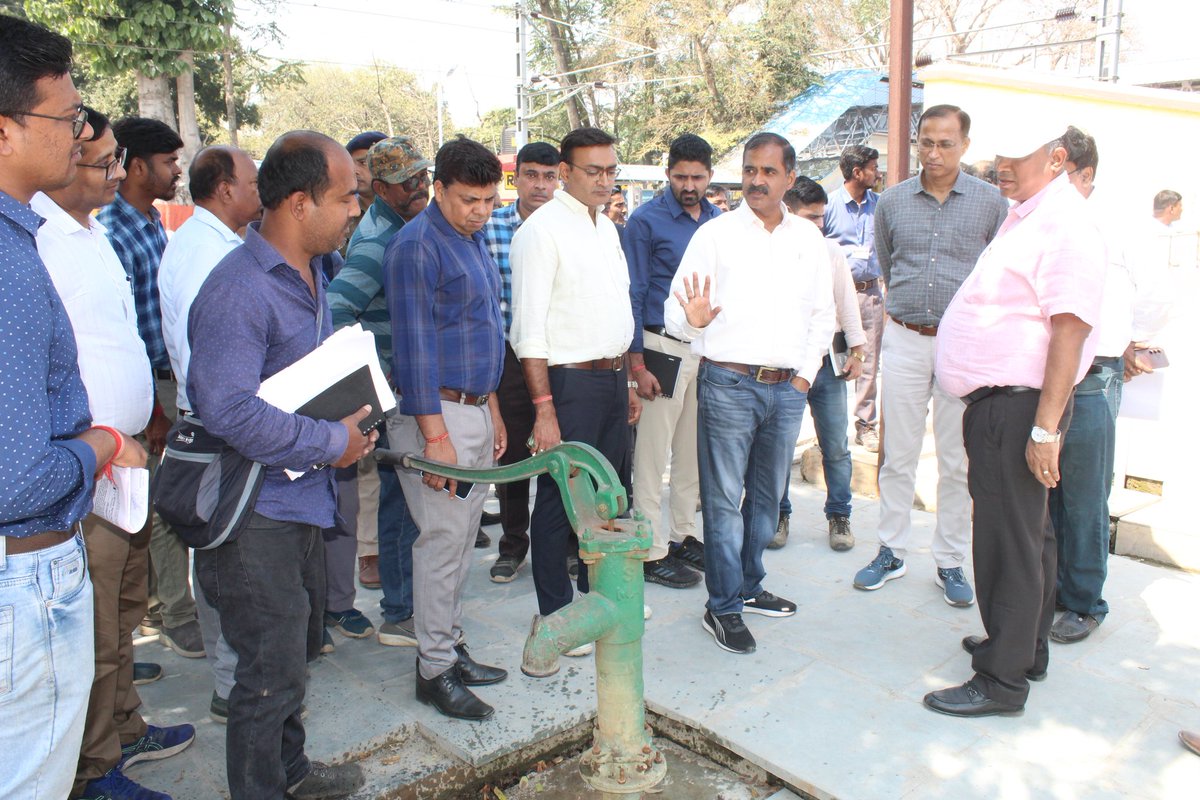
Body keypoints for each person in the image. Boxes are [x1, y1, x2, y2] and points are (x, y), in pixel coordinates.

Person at [188, 130, 374, 799]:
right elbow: (227, 409)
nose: (357, 208)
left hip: (299, 503)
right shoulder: (240, 290)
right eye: (347, 195)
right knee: (267, 677)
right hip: (254, 517)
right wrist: (330, 443)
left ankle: (290, 774)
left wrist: (352, 425)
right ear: (299, 202)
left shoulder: (311, 273)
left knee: (292, 659)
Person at [0, 16, 147, 799]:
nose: (81, 138)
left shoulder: (39, 238)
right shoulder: (14, 255)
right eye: (65, 121)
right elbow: (16, 476)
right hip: (27, 563)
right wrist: (99, 443)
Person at [34, 105, 195, 800]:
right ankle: (95, 766)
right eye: (100, 162)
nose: (112, 174)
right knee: (94, 625)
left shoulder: (94, 230)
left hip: (123, 456)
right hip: (86, 468)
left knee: (126, 612)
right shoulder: (38, 239)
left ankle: (125, 725)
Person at [924, 123, 1105, 717]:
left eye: (1014, 155)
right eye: (998, 154)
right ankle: (1023, 648)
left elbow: (1071, 328)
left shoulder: (1063, 222)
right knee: (1031, 535)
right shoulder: (1029, 212)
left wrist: (1046, 428)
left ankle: (1001, 682)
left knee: (1008, 541)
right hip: (1006, 403)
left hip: (1021, 404)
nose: (1000, 165)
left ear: (1056, 159)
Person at [666, 132, 836, 654]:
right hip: (728, 384)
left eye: (768, 172)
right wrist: (691, 321)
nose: (756, 180)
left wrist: (804, 378)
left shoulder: (808, 240)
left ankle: (749, 584)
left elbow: (821, 314)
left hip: (786, 390)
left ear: (788, 177)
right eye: (749, 170)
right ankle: (722, 607)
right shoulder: (716, 236)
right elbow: (677, 311)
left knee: (767, 504)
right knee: (722, 503)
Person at [854, 105, 1007, 605]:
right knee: (896, 453)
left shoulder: (990, 204)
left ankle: (950, 561)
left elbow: (996, 274)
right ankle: (891, 550)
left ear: (965, 145)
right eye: (926, 142)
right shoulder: (893, 202)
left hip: (963, 345)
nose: (934, 153)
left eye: (945, 143)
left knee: (956, 459)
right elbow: (888, 261)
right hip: (903, 338)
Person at [383, 136, 509, 721]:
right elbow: (413, 352)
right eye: (467, 200)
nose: (480, 211)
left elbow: (483, 331)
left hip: (474, 409)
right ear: (437, 189)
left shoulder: (473, 237)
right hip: (436, 416)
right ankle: (433, 669)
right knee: (441, 542)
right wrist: (437, 437)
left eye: (487, 199)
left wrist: (494, 411)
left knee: (460, 542)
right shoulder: (416, 247)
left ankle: (449, 647)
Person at [511, 127, 640, 630]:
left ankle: (601, 600)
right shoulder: (540, 233)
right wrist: (544, 408)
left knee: (610, 494)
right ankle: (558, 615)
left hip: (611, 380)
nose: (605, 181)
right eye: (594, 171)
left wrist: (628, 381)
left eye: (611, 171)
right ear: (565, 173)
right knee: (559, 503)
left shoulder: (606, 228)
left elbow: (615, 314)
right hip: (567, 386)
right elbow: (529, 333)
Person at [157, 144, 262, 723]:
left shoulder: (216, 243)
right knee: (226, 558)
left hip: (217, 417)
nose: (259, 189)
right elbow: (216, 352)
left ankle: (235, 677)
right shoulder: (206, 253)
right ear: (224, 188)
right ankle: (232, 685)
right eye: (252, 180)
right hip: (220, 424)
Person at [98, 116, 204, 659]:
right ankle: (176, 613)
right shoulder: (112, 231)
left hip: (167, 379)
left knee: (163, 500)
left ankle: (162, 605)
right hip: (150, 386)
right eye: (167, 162)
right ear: (135, 165)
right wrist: (156, 410)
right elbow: (125, 330)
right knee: (160, 504)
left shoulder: (151, 223)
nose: (175, 170)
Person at [328, 135, 431, 647]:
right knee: (399, 502)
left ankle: (405, 605)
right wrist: (379, 372)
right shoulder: (377, 241)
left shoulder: (400, 226)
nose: (420, 188)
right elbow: (336, 310)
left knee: (404, 498)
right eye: (407, 182)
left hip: (402, 385)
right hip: (391, 392)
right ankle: (399, 610)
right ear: (384, 187)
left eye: (422, 176)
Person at [624, 133, 722, 588]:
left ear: (709, 176)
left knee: (690, 450)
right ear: (667, 174)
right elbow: (636, 291)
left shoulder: (719, 222)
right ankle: (648, 547)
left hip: (705, 347)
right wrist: (636, 361)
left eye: (697, 177)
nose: (688, 185)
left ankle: (683, 534)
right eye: (680, 176)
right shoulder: (645, 221)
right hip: (660, 345)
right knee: (651, 452)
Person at [772, 177, 866, 552]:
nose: (818, 226)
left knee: (836, 446)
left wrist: (856, 351)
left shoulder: (830, 252)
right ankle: (778, 513)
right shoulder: (772, 251)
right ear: (789, 212)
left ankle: (839, 516)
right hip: (785, 364)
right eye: (810, 217)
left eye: (822, 218)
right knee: (778, 445)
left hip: (826, 364)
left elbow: (847, 302)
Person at [482, 141, 560, 583]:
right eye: (532, 175)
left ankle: (566, 543)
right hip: (510, 356)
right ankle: (513, 544)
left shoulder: (570, 228)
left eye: (549, 177)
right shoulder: (491, 227)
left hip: (559, 356)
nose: (541, 185)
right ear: (517, 179)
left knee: (558, 450)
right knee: (511, 452)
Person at [824, 144, 882, 452]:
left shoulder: (880, 205)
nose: (878, 172)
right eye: (873, 167)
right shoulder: (830, 205)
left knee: (868, 361)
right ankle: (826, 430)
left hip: (870, 293)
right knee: (831, 362)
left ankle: (865, 424)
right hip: (835, 299)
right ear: (857, 172)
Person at [344, 130, 387, 248]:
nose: (354, 171)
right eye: (350, 164)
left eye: (363, 162)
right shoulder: (344, 214)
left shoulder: (405, 210)